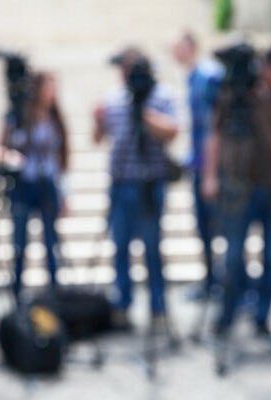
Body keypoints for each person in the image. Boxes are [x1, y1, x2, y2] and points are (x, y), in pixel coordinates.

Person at [203, 44, 271, 340]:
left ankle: (262, 318)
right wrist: (210, 175)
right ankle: (228, 312)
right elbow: (216, 134)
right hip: (241, 184)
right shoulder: (237, 99)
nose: (270, 73)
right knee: (233, 253)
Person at [94, 47, 179, 328]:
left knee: (152, 247)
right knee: (120, 247)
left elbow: (172, 131)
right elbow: (99, 138)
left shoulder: (162, 95)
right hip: (121, 183)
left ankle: (158, 308)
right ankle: (122, 305)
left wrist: (144, 112)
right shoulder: (113, 98)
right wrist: (97, 120)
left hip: (151, 184)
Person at [0, 72, 69, 299]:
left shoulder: (55, 118)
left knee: (51, 243)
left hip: (48, 184)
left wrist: (66, 193)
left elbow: (63, 159)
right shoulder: (17, 116)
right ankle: (16, 295)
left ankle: (55, 295)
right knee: (19, 243)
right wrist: (10, 158)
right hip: (23, 185)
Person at [172, 31, 224, 298]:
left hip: (212, 166)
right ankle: (211, 280)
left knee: (219, 228)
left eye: (176, 46)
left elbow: (213, 126)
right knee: (203, 228)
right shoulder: (193, 76)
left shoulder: (209, 75)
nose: (173, 52)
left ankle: (224, 283)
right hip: (199, 164)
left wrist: (209, 170)